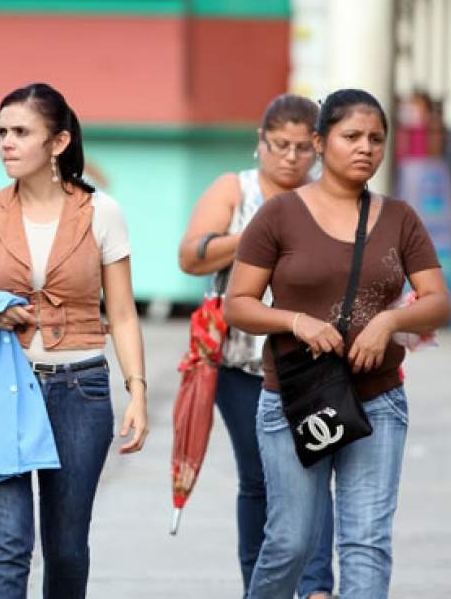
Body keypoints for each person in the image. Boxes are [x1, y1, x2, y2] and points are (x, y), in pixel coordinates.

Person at [225, 89, 451, 599]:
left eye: (376, 138)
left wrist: (388, 324)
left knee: (366, 541)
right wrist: (296, 321)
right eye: (351, 136)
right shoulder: (280, 215)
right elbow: (238, 303)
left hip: (378, 399)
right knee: (291, 540)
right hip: (294, 398)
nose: (365, 147)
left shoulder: (400, 218)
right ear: (321, 142)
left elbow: (437, 301)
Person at [0, 82, 148, 599]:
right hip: (0, 387)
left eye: (21, 132)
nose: (6, 144)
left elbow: (122, 313)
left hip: (79, 388)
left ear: (57, 142)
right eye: (1, 133)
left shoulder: (101, 212)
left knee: (65, 547)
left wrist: (138, 392)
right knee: (8, 543)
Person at [178, 94, 336, 599]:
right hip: (240, 361)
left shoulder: (328, 194)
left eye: (301, 148)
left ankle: (316, 588)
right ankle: (260, 587)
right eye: (279, 145)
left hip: (312, 361)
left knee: (316, 465)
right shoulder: (234, 188)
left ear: (317, 148)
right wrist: (256, 233)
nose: (290, 157)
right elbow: (192, 256)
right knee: (260, 477)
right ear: (260, 144)